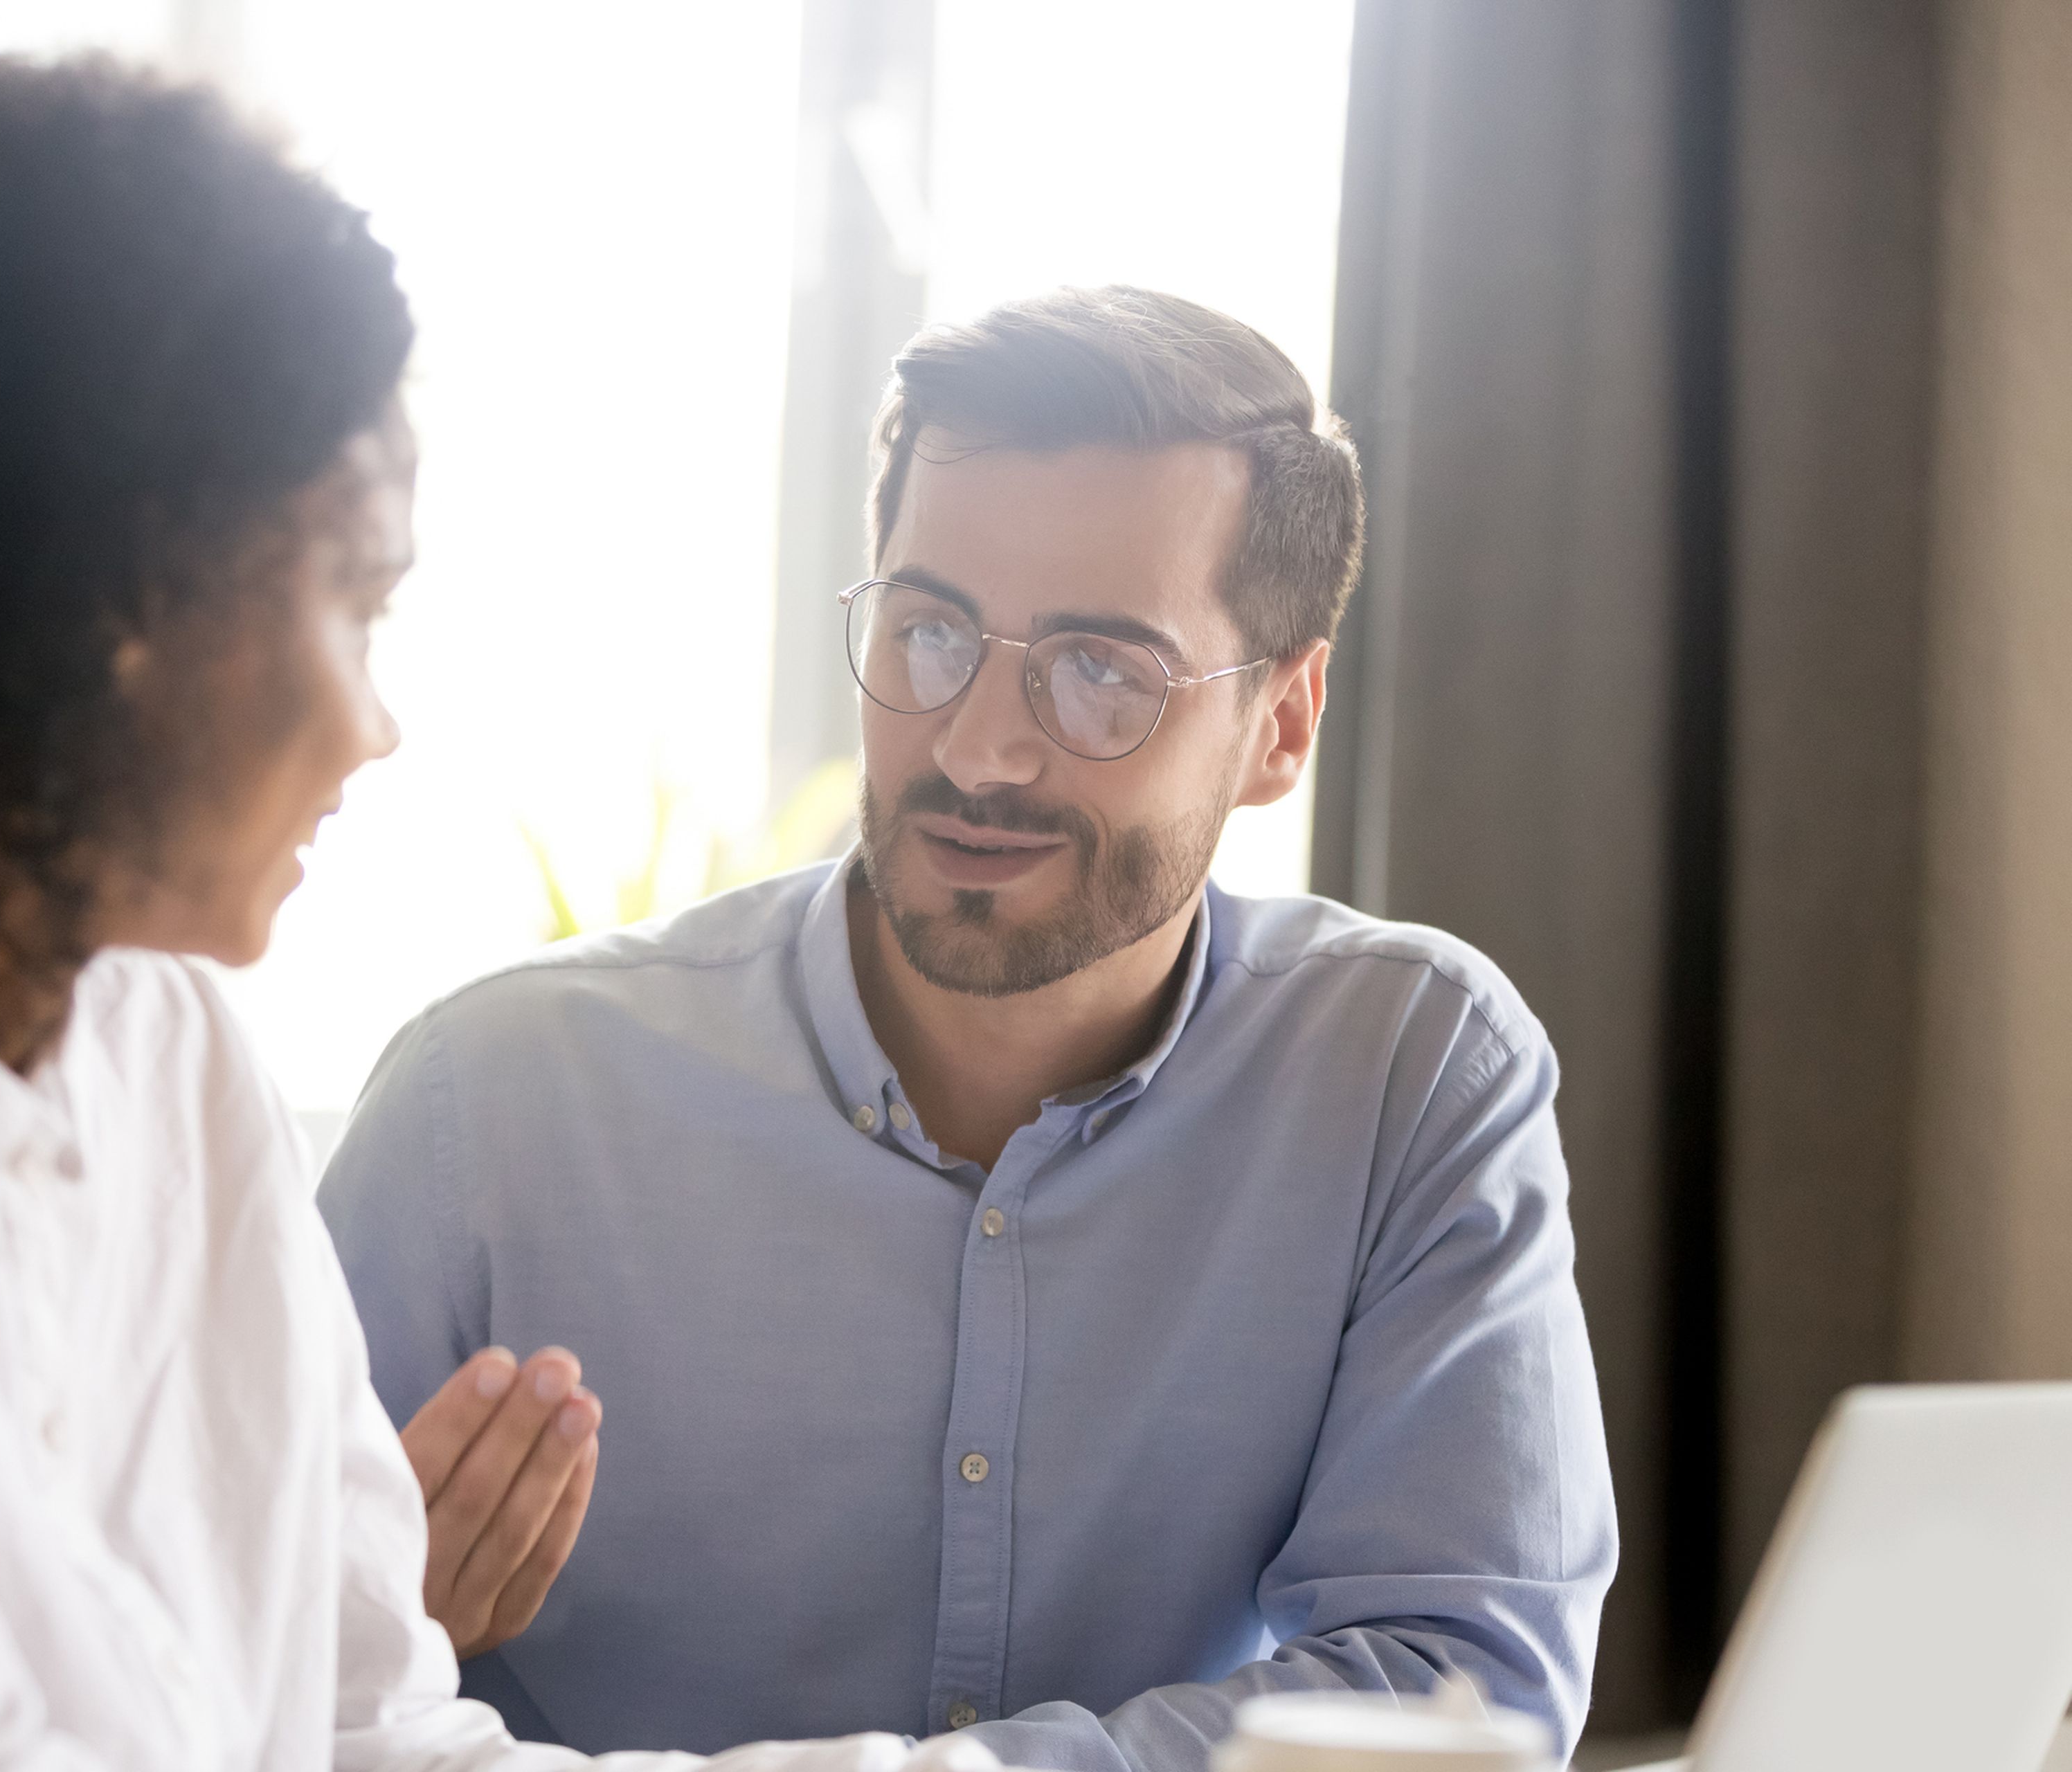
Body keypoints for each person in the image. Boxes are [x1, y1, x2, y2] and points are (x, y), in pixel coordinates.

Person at [0, 63, 1010, 1772]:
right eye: (355, 596)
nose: (375, 722)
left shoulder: (170, 1048)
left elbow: (373, 1735)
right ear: (103, 593)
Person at [320, 288, 1619, 1771]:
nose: (977, 747)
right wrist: (340, 1635)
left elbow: (1466, 1680)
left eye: (1102, 671)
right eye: (931, 630)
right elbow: (202, 1658)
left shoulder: (1410, 1073)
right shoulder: (481, 1108)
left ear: (1284, 721)